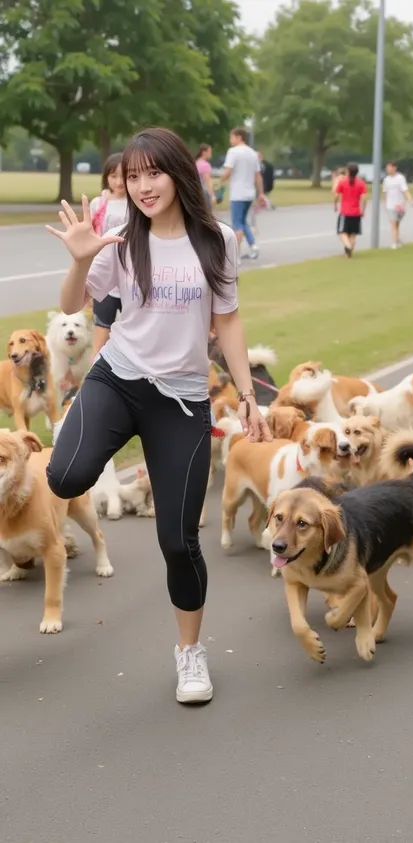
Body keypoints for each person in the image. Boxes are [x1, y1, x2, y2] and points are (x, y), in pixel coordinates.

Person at [45, 126, 272, 706]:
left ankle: (190, 654)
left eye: (154, 173)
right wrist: (78, 259)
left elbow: (229, 321)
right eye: (134, 175)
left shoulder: (217, 240)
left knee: (177, 539)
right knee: (66, 477)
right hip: (117, 380)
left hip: (182, 400)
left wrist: (247, 394)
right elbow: (74, 305)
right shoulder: (119, 240)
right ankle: (81, 416)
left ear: (178, 174)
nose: (143, 186)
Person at [89, 153, 128, 357]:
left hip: (131, 276)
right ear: (106, 177)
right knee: (101, 333)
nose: (119, 182)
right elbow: (90, 237)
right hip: (105, 274)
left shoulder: (137, 202)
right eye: (113, 176)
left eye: (124, 176)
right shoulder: (98, 203)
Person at [220, 127, 265, 262]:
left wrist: (220, 181)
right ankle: (253, 245)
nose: (230, 140)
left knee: (237, 224)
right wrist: (261, 193)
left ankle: (235, 256)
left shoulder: (233, 152)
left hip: (238, 193)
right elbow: (258, 176)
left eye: (231, 137)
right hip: (249, 193)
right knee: (243, 221)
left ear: (239, 137)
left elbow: (228, 171)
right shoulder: (253, 153)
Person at [333, 162, 367, 257]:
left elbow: (336, 195)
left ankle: (347, 246)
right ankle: (348, 254)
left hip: (345, 212)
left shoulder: (343, 182)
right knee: (352, 234)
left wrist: (335, 204)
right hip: (356, 212)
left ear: (347, 171)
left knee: (342, 232)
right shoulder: (361, 183)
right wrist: (363, 210)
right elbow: (364, 198)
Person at [383, 161, 413, 250]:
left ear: (394, 168)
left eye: (389, 168)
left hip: (399, 205)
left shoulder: (400, 178)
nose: (388, 170)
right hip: (390, 205)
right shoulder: (386, 180)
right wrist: (385, 204)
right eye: (387, 168)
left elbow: (405, 190)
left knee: (396, 224)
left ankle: (397, 240)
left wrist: (410, 200)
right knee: (394, 223)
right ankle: (394, 243)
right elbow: (385, 192)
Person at [195, 143, 216, 208]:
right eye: (209, 152)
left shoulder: (196, 162)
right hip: (204, 193)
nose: (211, 154)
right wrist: (212, 195)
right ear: (204, 152)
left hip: (196, 192)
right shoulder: (205, 165)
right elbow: (208, 181)